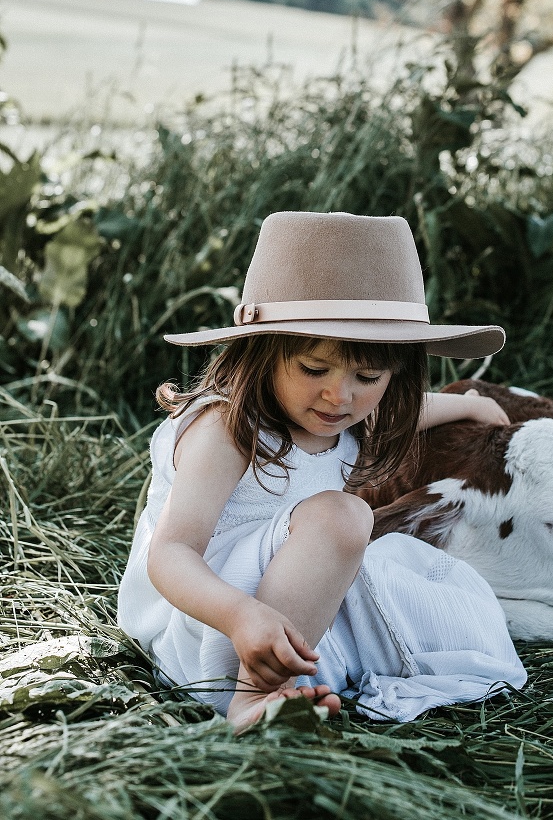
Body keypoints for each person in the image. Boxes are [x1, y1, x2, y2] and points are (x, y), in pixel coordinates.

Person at [118, 211, 527, 730]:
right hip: (206, 622)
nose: (340, 395)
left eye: (368, 375)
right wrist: (241, 617)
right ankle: (255, 697)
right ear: (263, 352)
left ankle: (293, 681)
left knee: (418, 582)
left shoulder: (347, 416)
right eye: (314, 369)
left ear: (394, 375)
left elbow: (402, 413)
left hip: (292, 609)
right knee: (344, 518)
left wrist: (466, 404)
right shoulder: (227, 430)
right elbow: (171, 554)